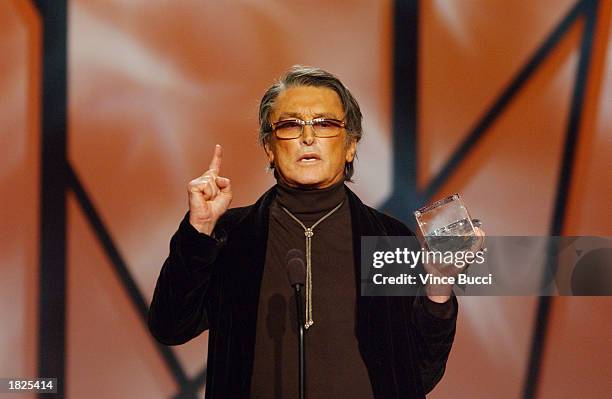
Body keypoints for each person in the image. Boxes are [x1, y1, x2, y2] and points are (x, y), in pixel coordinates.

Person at [149, 66, 469, 399]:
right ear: (269, 148)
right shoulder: (231, 237)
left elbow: (419, 373)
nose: (308, 137)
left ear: (350, 146)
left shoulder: (389, 239)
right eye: (289, 125)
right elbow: (170, 327)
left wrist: (438, 288)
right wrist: (198, 230)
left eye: (325, 123)